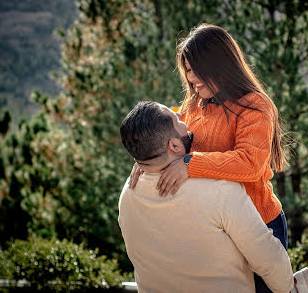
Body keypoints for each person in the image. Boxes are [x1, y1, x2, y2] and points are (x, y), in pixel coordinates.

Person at [129, 24, 289, 292]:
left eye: (197, 69)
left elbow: (250, 164)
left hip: (262, 224)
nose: (192, 78)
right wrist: (146, 161)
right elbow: (167, 140)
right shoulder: (193, 105)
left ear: (221, 64)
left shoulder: (255, 106)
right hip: (217, 227)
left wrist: (191, 165)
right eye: (188, 70)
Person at [118, 101, 294, 292]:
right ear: (175, 146)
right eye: (178, 119)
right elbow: (270, 262)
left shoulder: (127, 196)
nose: (185, 119)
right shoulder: (221, 191)